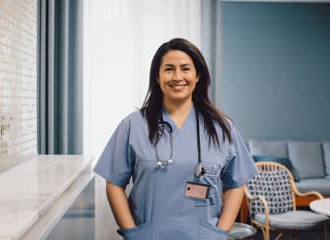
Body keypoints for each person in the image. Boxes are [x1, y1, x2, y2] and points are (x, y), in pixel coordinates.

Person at [94, 38, 257, 240]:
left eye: (185, 69)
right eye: (169, 69)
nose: (177, 76)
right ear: (157, 76)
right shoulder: (133, 125)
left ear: (198, 76)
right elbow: (114, 184)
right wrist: (132, 233)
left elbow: (236, 184)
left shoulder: (222, 128)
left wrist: (220, 232)